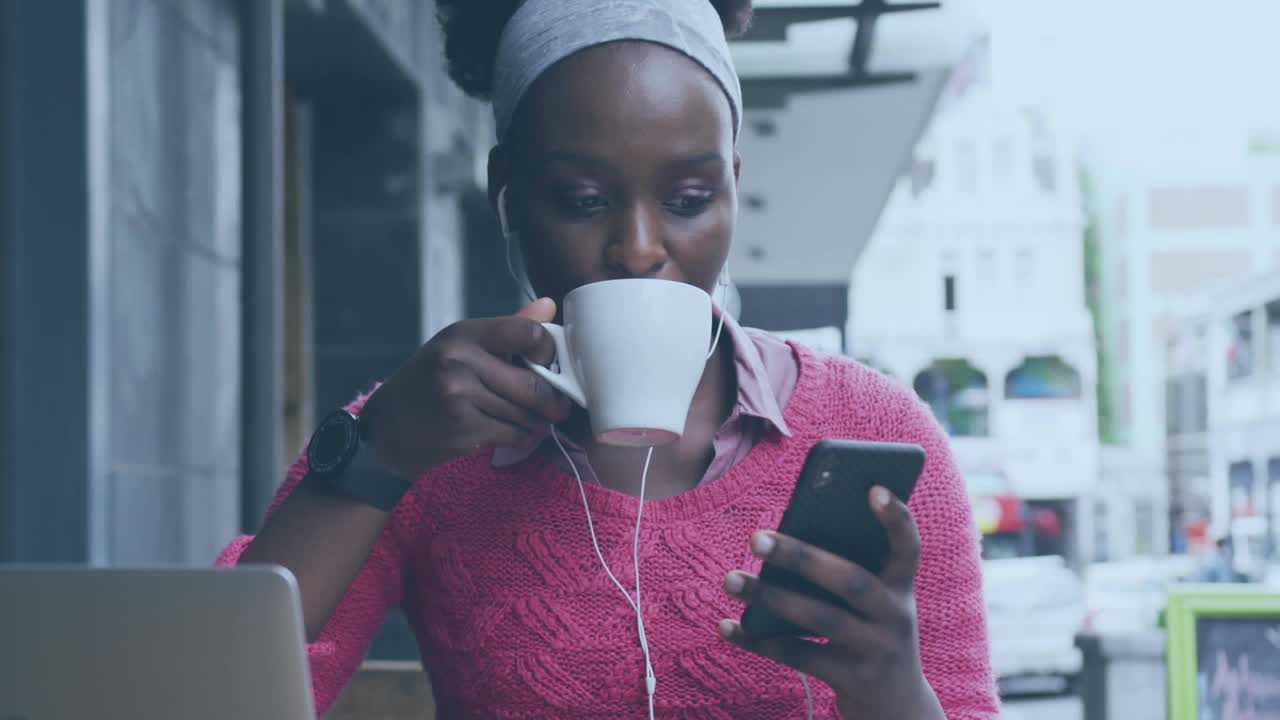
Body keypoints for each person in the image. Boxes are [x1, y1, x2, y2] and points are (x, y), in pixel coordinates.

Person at [219, 1, 998, 717]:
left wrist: (897, 688)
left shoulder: (876, 429)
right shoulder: (416, 438)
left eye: (689, 200)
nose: (639, 247)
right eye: (583, 199)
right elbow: (211, 693)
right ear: (508, 196)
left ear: (732, 187)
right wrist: (376, 456)